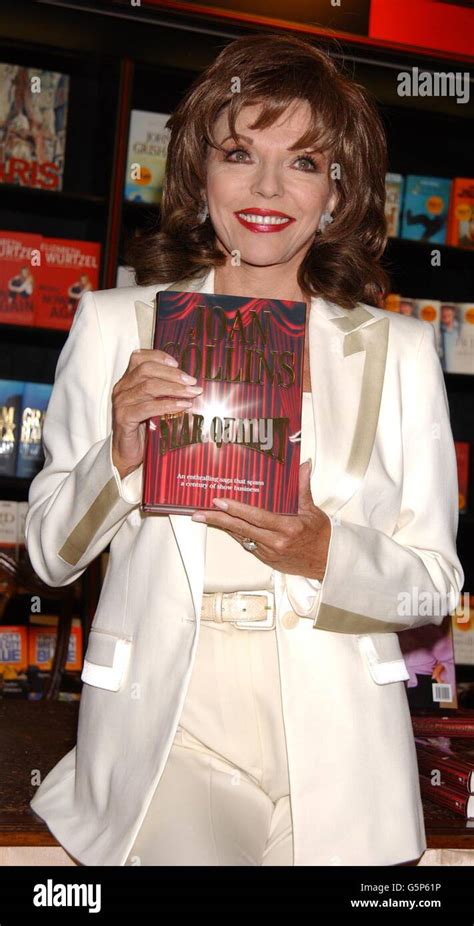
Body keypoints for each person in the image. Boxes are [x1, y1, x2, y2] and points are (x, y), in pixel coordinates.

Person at [25, 33, 464, 868]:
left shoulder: (400, 351)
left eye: (304, 161)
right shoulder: (119, 324)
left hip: (340, 739)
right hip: (173, 722)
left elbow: (434, 584)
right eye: (240, 153)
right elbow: (46, 557)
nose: (267, 187)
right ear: (200, 176)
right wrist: (116, 459)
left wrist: (324, 550)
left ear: (337, 192)